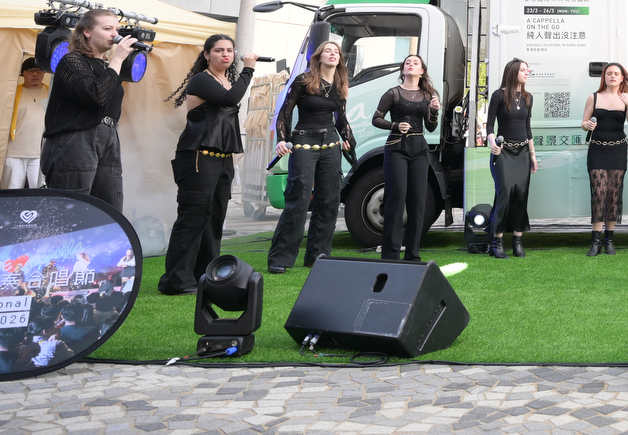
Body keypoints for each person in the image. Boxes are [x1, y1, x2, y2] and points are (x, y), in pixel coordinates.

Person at [157, 35, 257, 295]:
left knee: (214, 219)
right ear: (207, 55)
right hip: (199, 156)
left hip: (223, 159)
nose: (226, 54)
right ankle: (176, 281)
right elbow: (229, 100)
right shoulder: (202, 79)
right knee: (193, 217)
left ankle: (205, 274)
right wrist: (249, 68)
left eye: (230, 51)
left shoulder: (227, 80)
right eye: (219, 50)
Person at [267, 41, 352, 274]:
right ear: (318, 57)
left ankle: (318, 256)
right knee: (299, 200)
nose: (333, 54)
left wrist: (347, 140)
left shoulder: (340, 84)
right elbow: (285, 111)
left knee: (329, 201)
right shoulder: (304, 81)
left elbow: (341, 120)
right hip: (304, 142)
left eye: (336, 52)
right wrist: (282, 140)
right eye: (328, 50)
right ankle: (280, 258)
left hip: (332, 144)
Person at [41, 9, 137, 208]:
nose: (115, 34)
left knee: (109, 207)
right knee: (71, 207)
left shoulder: (105, 67)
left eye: (117, 29)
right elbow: (96, 95)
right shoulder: (72, 61)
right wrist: (118, 60)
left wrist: (114, 64)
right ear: (86, 32)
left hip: (108, 137)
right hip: (76, 138)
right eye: (107, 28)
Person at [373, 55, 441, 262]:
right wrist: (395, 125)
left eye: (416, 63)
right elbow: (376, 119)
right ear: (403, 70)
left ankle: (413, 255)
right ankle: (390, 255)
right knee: (396, 198)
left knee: (418, 202)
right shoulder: (393, 94)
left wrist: (435, 112)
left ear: (422, 71)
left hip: (419, 149)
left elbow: (430, 127)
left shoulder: (429, 95)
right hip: (396, 148)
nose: (411, 65)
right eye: (408, 63)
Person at [581, 62, 628, 255]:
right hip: (598, 149)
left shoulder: (626, 99)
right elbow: (583, 122)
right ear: (604, 77)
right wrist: (587, 126)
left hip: (618, 149)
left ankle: (609, 240)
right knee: (599, 193)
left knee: (613, 194)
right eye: (609, 74)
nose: (613, 77)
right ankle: (595, 240)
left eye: (616, 74)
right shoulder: (594, 97)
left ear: (622, 78)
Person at [483, 58, 536, 258]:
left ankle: (517, 241)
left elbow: (528, 128)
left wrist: (533, 155)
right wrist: (492, 142)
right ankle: (496, 242)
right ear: (513, 72)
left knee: (521, 195)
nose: (527, 72)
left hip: (522, 152)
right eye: (523, 69)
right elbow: (489, 125)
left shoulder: (528, 97)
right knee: (504, 193)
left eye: (527, 69)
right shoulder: (498, 95)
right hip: (502, 152)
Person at [5, 58, 49, 189]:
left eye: (38, 70)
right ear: (22, 73)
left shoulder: (50, 92)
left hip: (41, 153)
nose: (35, 74)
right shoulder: (11, 92)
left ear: (44, 73)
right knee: (11, 191)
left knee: (40, 193)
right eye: (30, 71)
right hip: (14, 152)